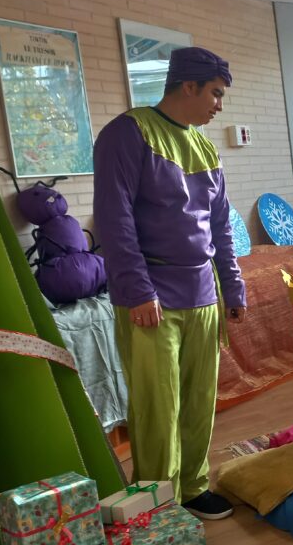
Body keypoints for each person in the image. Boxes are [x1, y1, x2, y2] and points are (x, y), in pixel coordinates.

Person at [93, 46, 246, 520]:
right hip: (152, 297)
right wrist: (137, 289)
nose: (218, 105)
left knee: (199, 402)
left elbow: (220, 225)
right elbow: (114, 219)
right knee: (158, 408)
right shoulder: (127, 133)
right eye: (215, 94)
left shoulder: (205, 147)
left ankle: (194, 488)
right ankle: (160, 503)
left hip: (203, 295)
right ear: (188, 86)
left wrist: (232, 287)